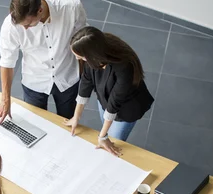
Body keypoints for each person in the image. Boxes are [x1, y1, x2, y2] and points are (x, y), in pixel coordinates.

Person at [0, 0, 87, 123]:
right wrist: (5, 100)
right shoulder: (10, 26)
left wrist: (81, 71)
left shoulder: (71, 7)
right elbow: (7, 62)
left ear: (40, 11)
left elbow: (82, 38)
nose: (24, 29)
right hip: (34, 80)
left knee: (67, 121)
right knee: (35, 123)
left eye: (28, 24)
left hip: (67, 77)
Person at [64, 26, 154, 156]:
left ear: (92, 54)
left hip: (125, 108)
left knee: (113, 139)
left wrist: (103, 137)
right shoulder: (94, 54)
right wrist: (76, 116)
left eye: (81, 57)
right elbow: (86, 82)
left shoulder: (124, 66)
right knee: (106, 129)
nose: (78, 60)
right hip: (106, 99)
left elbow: (114, 103)